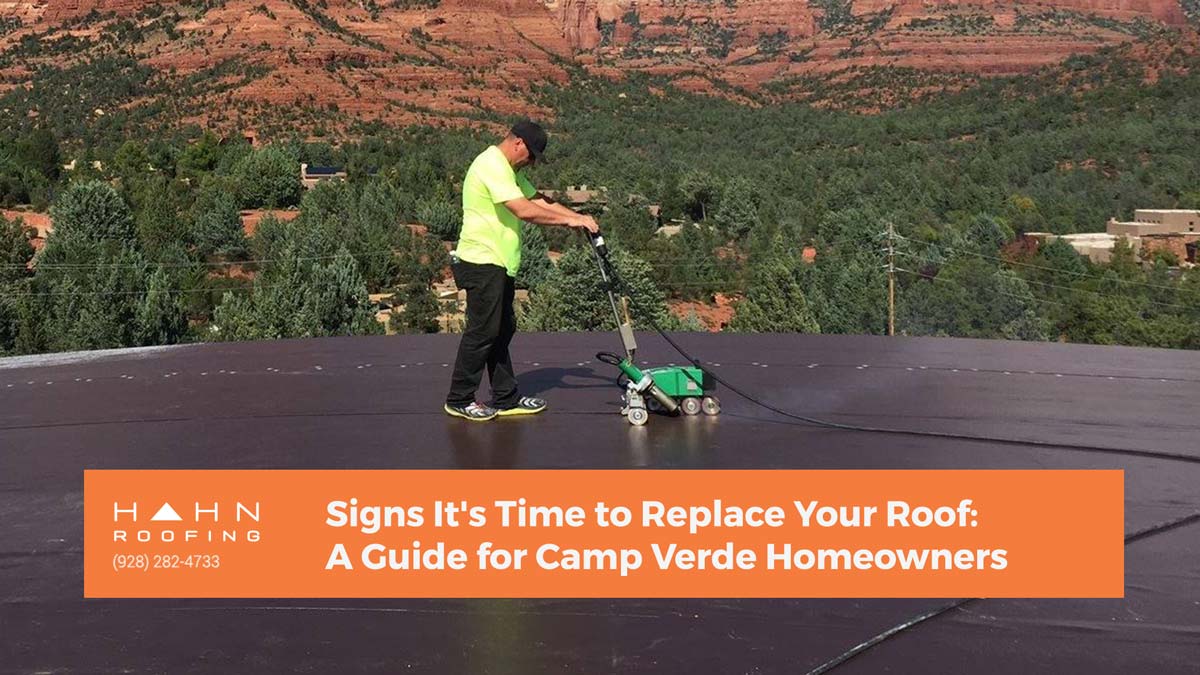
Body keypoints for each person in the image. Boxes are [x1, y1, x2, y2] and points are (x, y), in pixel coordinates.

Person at [443, 120, 599, 422]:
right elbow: (523, 210)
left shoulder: (510, 170)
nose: (531, 163)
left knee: (501, 331)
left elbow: (537, 200)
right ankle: (459, 398)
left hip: (499, 262)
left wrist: (578, 216)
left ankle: (505, 397)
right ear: (518, 144)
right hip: (480, 261)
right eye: (530, 156)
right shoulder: (491, 164)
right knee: (483, 331)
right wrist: (570, 223)